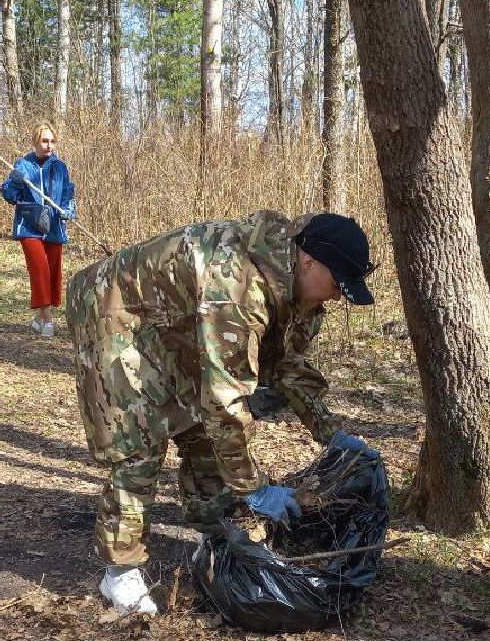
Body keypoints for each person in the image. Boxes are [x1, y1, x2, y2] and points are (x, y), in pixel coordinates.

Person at [65, 209, 378, 616]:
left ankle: (213, 534)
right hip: (114, 311)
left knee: (202, 431)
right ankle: (120, 572)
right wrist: (254, 488)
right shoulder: (238, 287)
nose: (337, 296)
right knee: (137, 442)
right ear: (309, 261)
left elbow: (287, 367)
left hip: (176, 322)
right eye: (337, 284)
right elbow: (225, 402)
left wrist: (331, 432)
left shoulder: (296, 292)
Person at [0, 123, 75, 337]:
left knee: (52, 273)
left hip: (54, 226)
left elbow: (67, 193)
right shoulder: (23, 165)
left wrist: (68, 210)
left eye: (52, 141)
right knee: (40, 269)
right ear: (35, 142)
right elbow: (9, 196)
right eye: (44, 141)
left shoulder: (60, 167)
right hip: (29, 226)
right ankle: (48, 319)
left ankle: (39, 318)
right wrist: (13, 183)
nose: (49, 145)